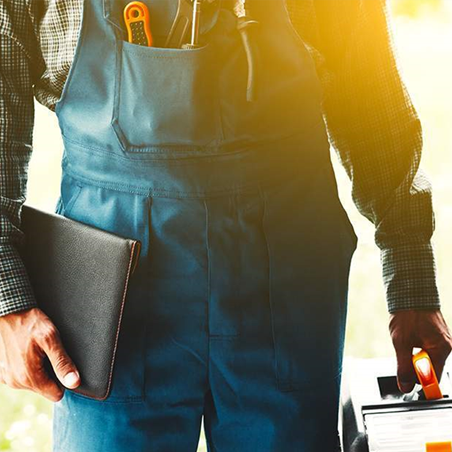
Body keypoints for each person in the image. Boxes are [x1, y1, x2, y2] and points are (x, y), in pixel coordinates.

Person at [0, 0, 450, 450]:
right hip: (111, 290)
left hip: (283, 279)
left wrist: (411, 271)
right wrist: (7, 297)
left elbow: (370, 94)